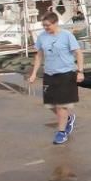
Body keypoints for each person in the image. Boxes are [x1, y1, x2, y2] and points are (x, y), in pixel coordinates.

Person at [27, 12, 84, 145]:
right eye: (44, 25)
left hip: (66, 73)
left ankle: (61, 132)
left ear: (55, 23)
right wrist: (34, 73)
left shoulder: (67, 36)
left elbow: (78, 53)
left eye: (48, 25)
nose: (45, 28)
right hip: (49, 74)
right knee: (50, 105)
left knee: (61, 106)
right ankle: (69, 118)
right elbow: (39, 55)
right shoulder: (42, 37)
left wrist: (80, 71)